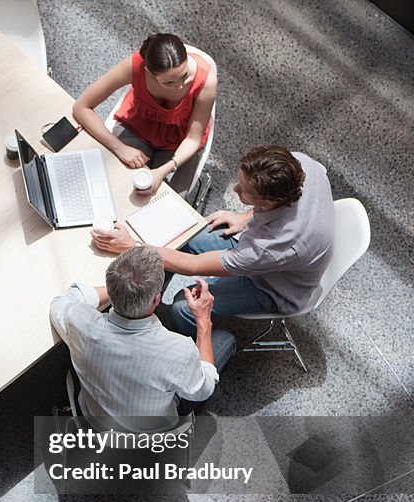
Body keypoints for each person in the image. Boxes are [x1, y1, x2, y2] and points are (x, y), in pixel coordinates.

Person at [92, 145, 335, 337]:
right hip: (264, 244)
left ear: (269, 201)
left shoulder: (271, 248)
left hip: (272, 287)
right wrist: (246, 216)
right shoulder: (302, 165)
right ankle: (145, 296)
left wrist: (132, 246)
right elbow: (308, 181)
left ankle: (194, 346)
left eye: (245, 192)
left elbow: (194, 266)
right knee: (184, 235)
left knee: (182, 307)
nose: (235, 190)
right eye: (239, 180)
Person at [49, 246, 235, 432]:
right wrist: (204, 321)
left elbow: (62, 301)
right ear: (156, 299)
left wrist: (121, 288)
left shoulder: (80, 322)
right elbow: (204, 389)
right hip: (151, 436)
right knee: (226, 339)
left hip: (94, 423)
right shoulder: (182, 351)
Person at [73, 33, 217, 197]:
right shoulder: (135, 66)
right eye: (169, 82)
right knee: (112, 187)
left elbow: (193, 139)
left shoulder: (206, 81)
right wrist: (120, 148)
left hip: (181, 140)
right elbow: (82, 107)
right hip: (137, 126)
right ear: (148, 71)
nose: (179, 86)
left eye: (184, 75)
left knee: (166, 201)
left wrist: (162, 171)